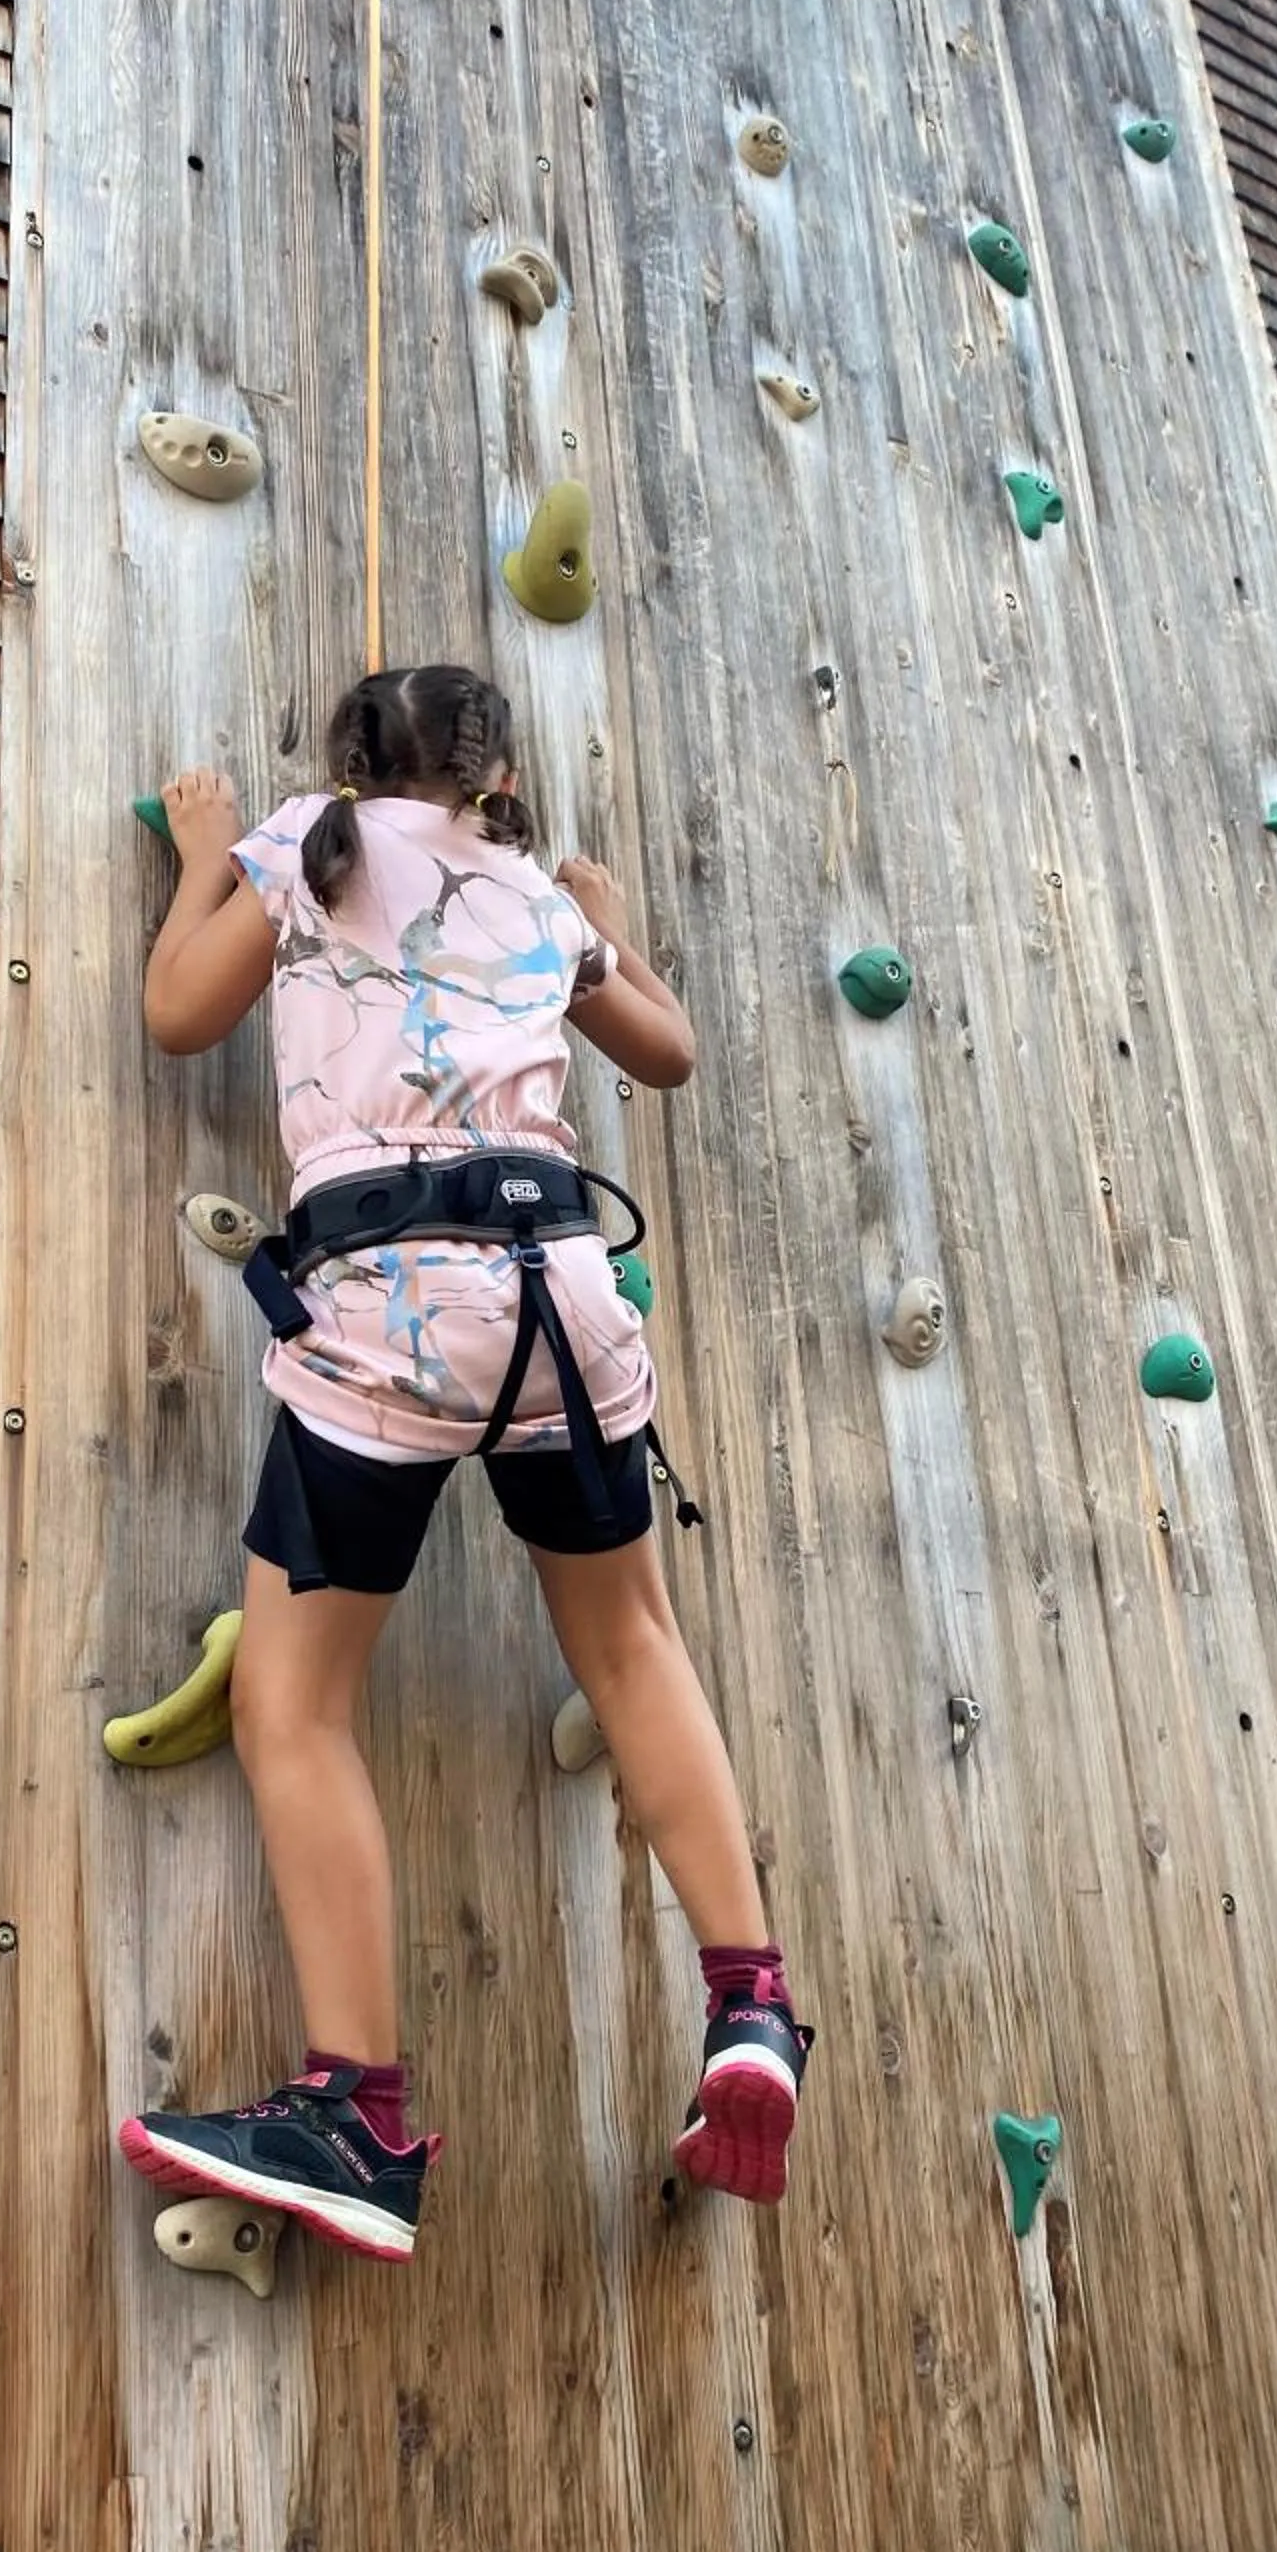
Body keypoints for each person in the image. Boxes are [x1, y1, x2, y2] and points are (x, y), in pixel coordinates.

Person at [116, 663, 810, 2263]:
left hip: (392, 1316)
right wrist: (605, 918)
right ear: (499, 782)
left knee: (294, 1704)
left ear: (352, 765)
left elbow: (176, 1016)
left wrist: (206, 861)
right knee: (633, 1646)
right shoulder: (527, 893)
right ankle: (752, 2002)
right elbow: (669, 1048)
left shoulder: (313, 842)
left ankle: (355, 2109)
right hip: (564, 1301)